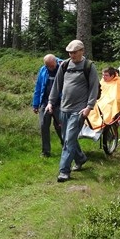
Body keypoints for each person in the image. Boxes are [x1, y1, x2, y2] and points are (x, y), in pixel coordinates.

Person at [46, 39, 99, 183]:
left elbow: (94, 88)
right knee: (67, 138)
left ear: (82, 51)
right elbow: (56, 86)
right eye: (69, 52)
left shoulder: (89, 66)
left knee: (68, 140)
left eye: (74, 52)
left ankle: (64, 171)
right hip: (64, 108)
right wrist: (50, 102)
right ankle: (81, 158)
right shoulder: (64, 65)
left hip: (79, 110)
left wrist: (89, 107)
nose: (72, 55)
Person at [31, 54, 63, 157]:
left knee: (60, 126)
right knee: (43, 126)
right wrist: (35, 104)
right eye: (48, 66)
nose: (50, 68)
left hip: (60, 103)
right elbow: (38, 87)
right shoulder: (43, 70)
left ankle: (67, 147)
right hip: (44, 103)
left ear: (56, 62)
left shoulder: (63, 68)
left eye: (52, 65)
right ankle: (46, 152)